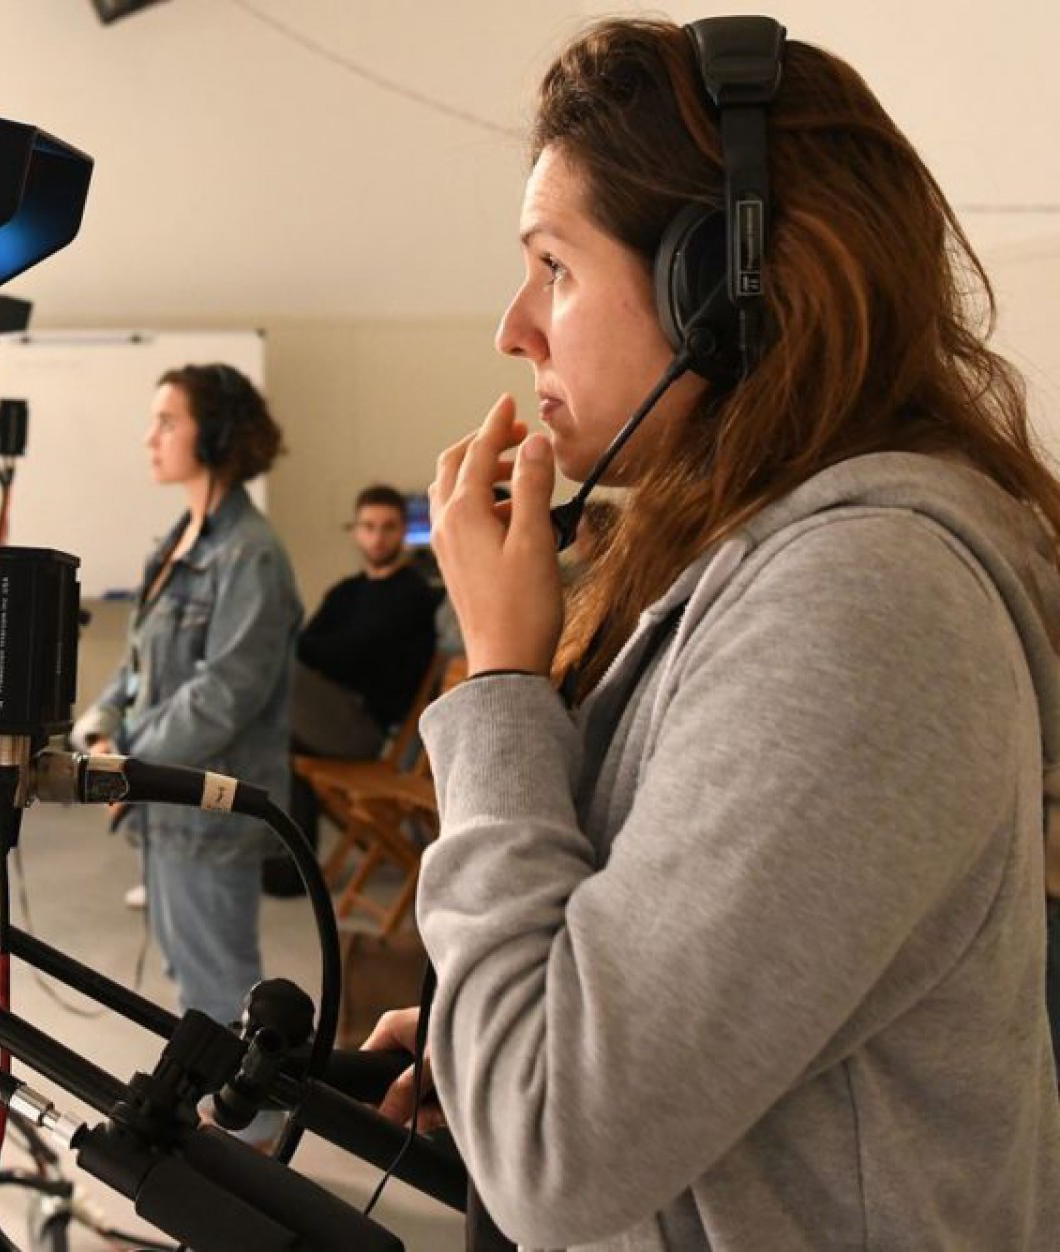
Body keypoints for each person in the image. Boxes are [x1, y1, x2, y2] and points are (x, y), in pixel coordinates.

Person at [365, 17, 1060, 1250]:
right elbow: (663, 986)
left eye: (555, 267)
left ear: (719, 285)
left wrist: (503, 676)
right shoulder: (757, 560)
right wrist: (491, 1014)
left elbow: (555, 1148)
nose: (513, 329)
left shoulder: (865, 603)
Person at [71, 363, 301, 1031]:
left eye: (167, 422)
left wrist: (131, 759)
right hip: (163, 801)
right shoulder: (177, 543)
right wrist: (101, 732)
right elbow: (139, 663)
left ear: (218, 434)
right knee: (189, 980)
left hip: (207, 815)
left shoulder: (249, 555)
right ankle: (219, 1119)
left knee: (222, 991)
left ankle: (252, 1130)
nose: (150, 437)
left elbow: (225, 693)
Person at [270, 485, 443, 896]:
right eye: (369, 527)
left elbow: (335, 653)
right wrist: (326, 654)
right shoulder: (346, 591)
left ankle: (280, 864)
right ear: (355, 531)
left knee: (270, 666)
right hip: (326, 715)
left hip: (364, 730)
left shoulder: (414, 594)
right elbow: (314, 647)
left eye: (388, 527)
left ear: (403, 531)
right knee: (272, 740)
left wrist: (325, 654)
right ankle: (285, 868)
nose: (378, 537)